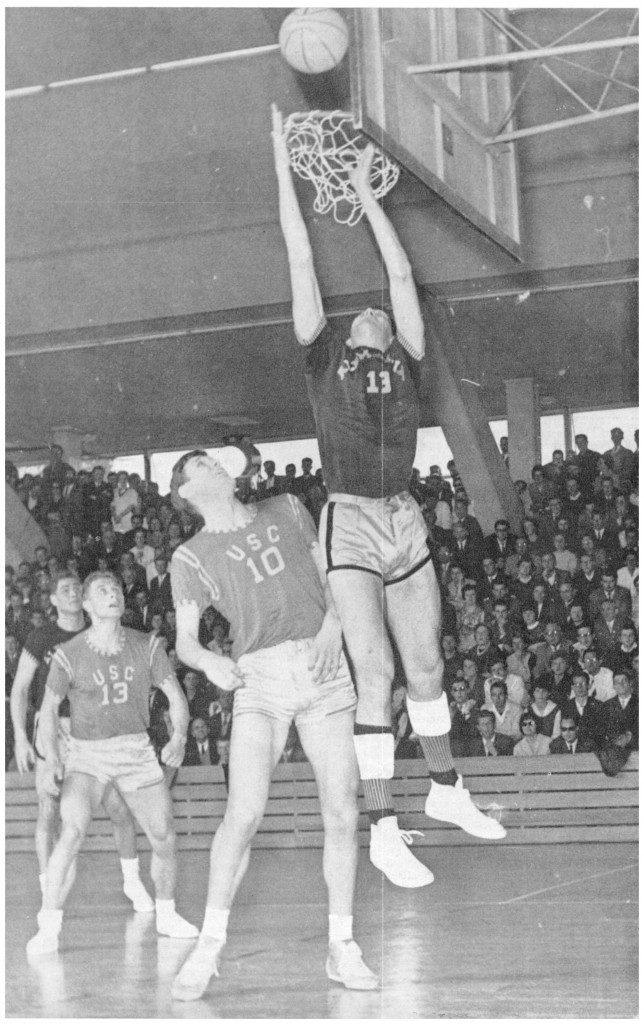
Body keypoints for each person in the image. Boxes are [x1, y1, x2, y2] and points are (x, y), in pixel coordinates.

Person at [272, 103, 504, 887]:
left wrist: (368, 191)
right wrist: (285, 162)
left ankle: (445, 790)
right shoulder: (320, 358)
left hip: (404, 516)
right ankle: (381, 825)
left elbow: (401, 274)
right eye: (362, 312)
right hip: (350, 522)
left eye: (377, 309)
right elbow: (301, 261)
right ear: (346, 335)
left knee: (428, 667)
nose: (371, 306)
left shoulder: (403, 355)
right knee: (374, 676)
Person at [168, 450, 377, 999]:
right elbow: (186, 642)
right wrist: (210, 661)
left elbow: (334, 572)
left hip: (323, 662)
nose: (217, 467)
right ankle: (209, 946)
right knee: (243, 812)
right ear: (187, 492)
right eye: (203, 467)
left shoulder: (285, 506)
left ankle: (342, 945)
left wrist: (336, 623)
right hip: (258, 678)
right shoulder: (189, 557)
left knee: (342, 808)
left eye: (217, 461)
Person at [25, 571, 196, 955]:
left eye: (117, 587)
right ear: (86, 605)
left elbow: (175, 696)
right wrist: (52, 756)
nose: (113, 593)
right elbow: (48, 711)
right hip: (87, 754)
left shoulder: (147, 645)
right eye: (102, 590)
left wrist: (180, 736)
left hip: (135, 750)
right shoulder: (69, 653)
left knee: (164, 833)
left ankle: (166, 914)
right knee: (71, 829)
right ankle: (48, 925)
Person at [10, 572, 153, 914]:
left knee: (119, 808)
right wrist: (19, 737)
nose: (72, 592)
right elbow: (20, 689)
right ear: (54, 600)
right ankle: (49, 889)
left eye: (77, 587)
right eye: (64, 589)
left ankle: (131, 880)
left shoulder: (101, 633)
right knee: (48, 808)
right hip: (54, 727)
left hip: (94, 726)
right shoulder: (42, 636)